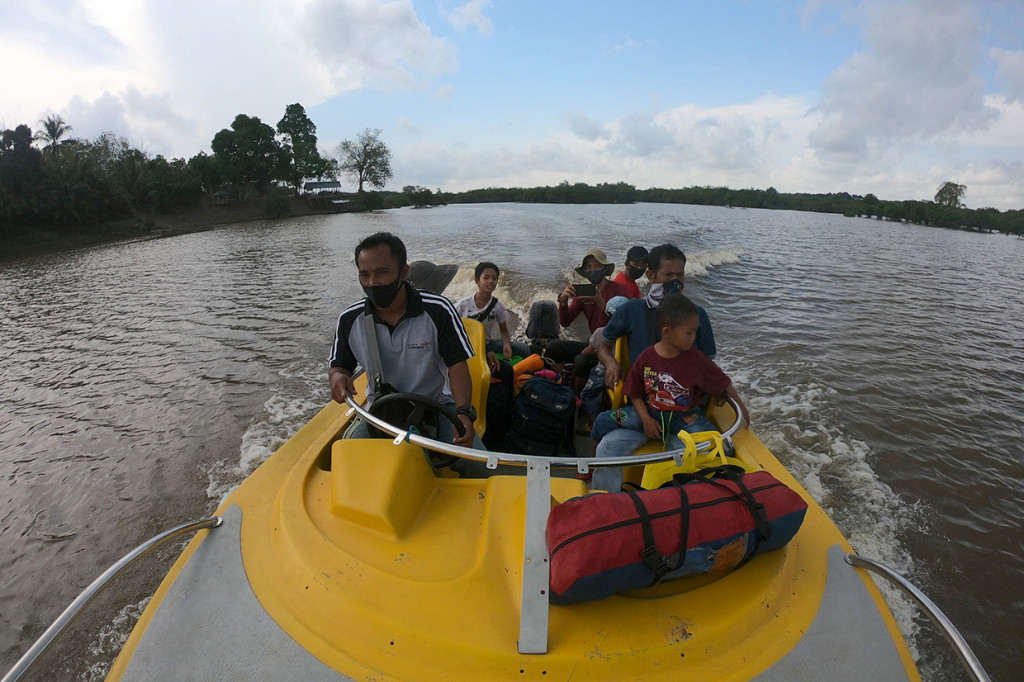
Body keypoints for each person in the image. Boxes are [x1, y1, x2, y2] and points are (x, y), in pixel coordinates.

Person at [328, 232, 484, 452]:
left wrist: (463, 413)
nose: (372, 282)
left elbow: (457, 366)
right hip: (381, 409)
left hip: (437, 405)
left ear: (403, 272)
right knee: (347, 462)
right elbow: (339, 366)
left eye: (382, 272)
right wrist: (338, 377)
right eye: (364, 274)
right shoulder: (349, 319)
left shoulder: (438, 309)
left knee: (478, 465)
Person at [590, 294, 748, 492]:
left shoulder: (697, 360)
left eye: (695, 332)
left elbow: (723, 383)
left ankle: (686, 499)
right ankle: (603, 497)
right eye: (689, 333)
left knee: (719, 447)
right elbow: (635, 393)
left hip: (684, 419)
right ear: (667, 332)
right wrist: (646, 419)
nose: (694, 338)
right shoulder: (646, 357)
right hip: (648, 414)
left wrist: (742, 411)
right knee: (603, 427)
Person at [596, 243, 716, 392]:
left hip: (683, 399)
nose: (675, 281)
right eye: (668, 275)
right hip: (643, 398)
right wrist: (611, 363)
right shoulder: (631, 310)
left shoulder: (697, 315)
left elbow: (708, 362)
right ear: (651, 276)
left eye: (680, 275)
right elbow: (603, 345)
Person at [455, 262, 531, 362]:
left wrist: (506, 344)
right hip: (467, 345)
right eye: (486, 278)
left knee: (524, 349)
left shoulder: (497, 306)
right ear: (477, 281)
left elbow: (504, 331)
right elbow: (453, 331)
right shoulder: (462, 305)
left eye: (494, 278)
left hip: (487, 344)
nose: (490, 281)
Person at [557, 248, 631, 333]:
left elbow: (623, 323)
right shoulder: (584, 292)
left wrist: (600, 302)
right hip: (595, 342)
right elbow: (565, 322)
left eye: (597, 266)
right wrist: (563, 302)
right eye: (588, 267)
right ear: (584, 271)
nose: (593, 270)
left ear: (605, 268)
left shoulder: (619, 289)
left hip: (615, 341)